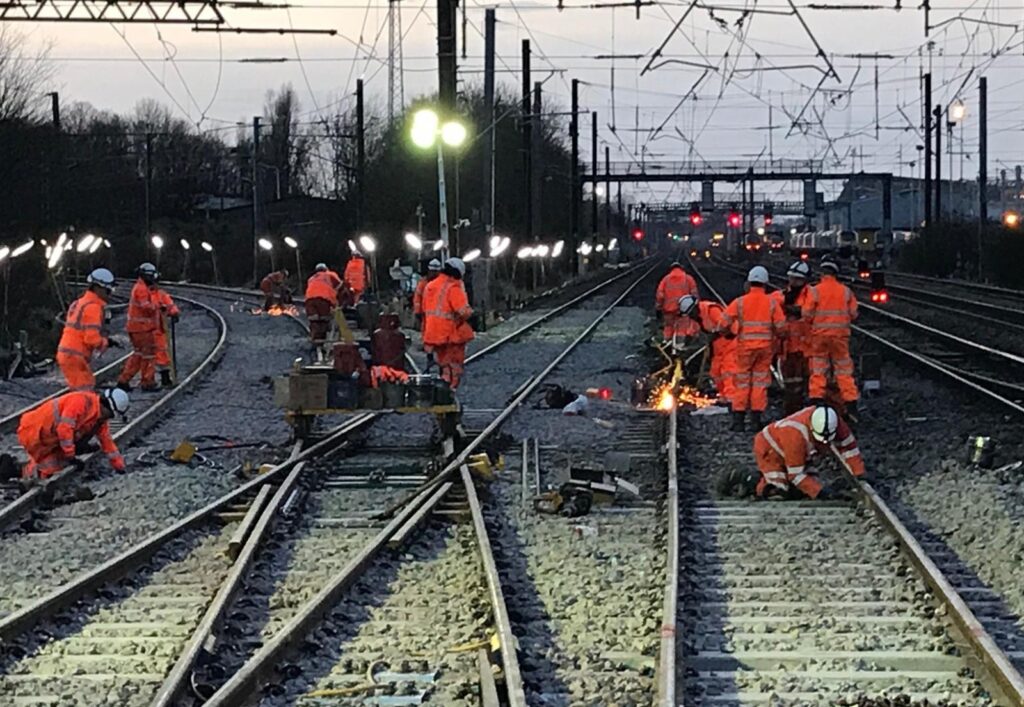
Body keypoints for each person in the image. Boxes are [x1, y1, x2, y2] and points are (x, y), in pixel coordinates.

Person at [752, 404, 865, 499]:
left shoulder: (836, 423)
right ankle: (752, 482)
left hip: (794, 449)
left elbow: (849, 448)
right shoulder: (795, 435)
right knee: (779, 492)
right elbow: (795, 475)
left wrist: (859, 473)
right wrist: (820, 492)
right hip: (770, 451)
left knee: (805, 487)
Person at [17, 388, 129, 481]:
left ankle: (31, 476)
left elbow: (107, 442)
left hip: (50, 438)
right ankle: (24, 474)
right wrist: (70, 455)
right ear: (106, 406)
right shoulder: (81, 402)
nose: (108, 418)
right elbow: (64, 429)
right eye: (110, 415)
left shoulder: (98, 420)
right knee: (51, 466)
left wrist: (119, 467)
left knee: (53, 466)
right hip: (34, 433)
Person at [722, 266, 784, 431]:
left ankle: (738, 422)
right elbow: (782, 327)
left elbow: (723, 323)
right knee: (759, 382)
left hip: (745, 349)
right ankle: (756, 421)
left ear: (749, 283)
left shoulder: (740, 302)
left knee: (742, 382)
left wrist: (728, 333)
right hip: (764, 349)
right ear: (766, 283)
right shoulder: (772, 303)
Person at [803, 255, 860, 418]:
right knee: (843, 370)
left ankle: (816, 402)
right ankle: (850, 404)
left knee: (819, 369)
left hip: (820, 337)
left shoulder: (814, 291)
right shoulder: (846, 292)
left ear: (822, 272)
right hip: (840, 337)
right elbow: (854, 314)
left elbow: (807, 314)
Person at [57, 268, 116, 392]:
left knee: (87, 385)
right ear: (98, 288)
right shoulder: (93, 307)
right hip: (75, 355)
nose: (109, 293)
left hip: (70, 354)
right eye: (108, 290)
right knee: (84, 393)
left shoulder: (79, 302)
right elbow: (91, 339)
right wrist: (105, 342)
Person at [422, 257, 474, 390]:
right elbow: (462, 311)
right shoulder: (453, 287)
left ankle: (444, 386)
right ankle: (451, 389)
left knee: (444, 363)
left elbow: (424, 309)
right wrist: (470, 312)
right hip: (450, 333)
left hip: (433, 332)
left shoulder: (430, 285)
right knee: (455, 363)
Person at [770, 261, 813, 414]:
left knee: (810, 383)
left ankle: (808, 411)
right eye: (792, 278)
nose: (794, 282)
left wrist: (794, 310)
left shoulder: (812, 296)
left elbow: (810, 313)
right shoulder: (780, 296)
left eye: (798, 279)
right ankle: (792, 412)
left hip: (808, 348)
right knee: (791, 384)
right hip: (788, 348)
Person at [678, 294, 736, 405]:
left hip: (731, 342)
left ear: (695, 308)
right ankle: (723, 395)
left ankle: (731, 397)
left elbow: (726, 325)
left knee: (728, 370)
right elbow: (692, 332)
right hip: (718, 347)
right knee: (715, 371)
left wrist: (714, 335)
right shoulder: (697, 317)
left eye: (691, 313)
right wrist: (684, 346)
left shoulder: (711, 310)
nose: (691, 317)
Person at [118, 263, 161, 391]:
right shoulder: (142, 289)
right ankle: (147, 382)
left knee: (138, 354)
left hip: (136, 328)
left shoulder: (139, 287)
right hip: (143, 328)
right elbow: (146, 306)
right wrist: (158, 306)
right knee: (149, 355)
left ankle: (124, 380)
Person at [654, 262, 699, 343]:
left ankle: (667, 343)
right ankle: (679, 346)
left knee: (668, 326)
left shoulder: (665, 279)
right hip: (683, 310)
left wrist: (658, 307)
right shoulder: (688, 279)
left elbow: (660, 295)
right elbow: (694, 295)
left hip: (668, 309)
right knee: (681, 328)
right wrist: (695, 307)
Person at [304, 263, 343, 344]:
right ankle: (322, 338)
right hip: (324, 299)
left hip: (309, 300)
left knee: (314, 319)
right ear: (326, 269)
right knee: (324, 319)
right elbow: (341, 285)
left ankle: (315, 337)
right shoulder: (330, 274)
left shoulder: (311, 278)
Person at [151, 286, 180, 388]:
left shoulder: (160, 294)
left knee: (161, 352)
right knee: (146, 355)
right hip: (146, 329)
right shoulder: (142, 293)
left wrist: (174, 312)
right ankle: (149, 380)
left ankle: (164, 377)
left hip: (158, 328)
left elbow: (170, 304)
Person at [413, 259, 442, 331]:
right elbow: (418, 298)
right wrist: (417, 311)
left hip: (440, 315)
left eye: (436, 272)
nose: (434, 274)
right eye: (433, 271)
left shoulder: (443, 283)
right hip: (426, 314)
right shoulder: (423, 283)